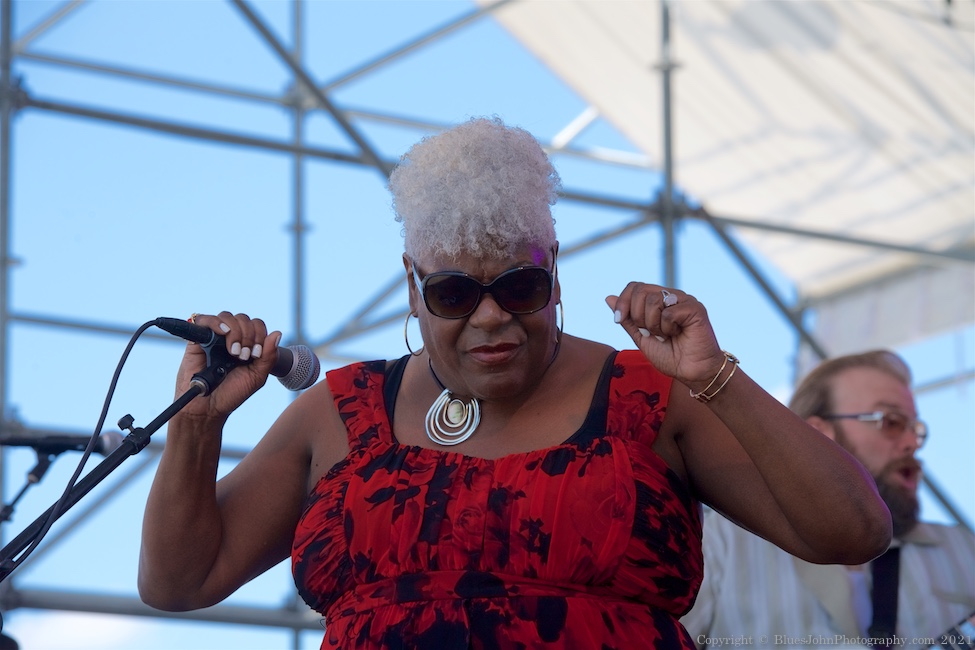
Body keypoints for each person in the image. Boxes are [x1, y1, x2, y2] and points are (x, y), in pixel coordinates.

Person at [138, 117, 891, 649]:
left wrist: (715, 377)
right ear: (413, 285)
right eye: (456, 294)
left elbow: (852, 531)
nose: (491, 318)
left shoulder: (649, 395)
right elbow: (179, 581)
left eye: (522, 286)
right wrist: (197, 426)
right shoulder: (339, 412)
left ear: (555, 267)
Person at [681, 349, 975, 649]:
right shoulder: (722, 543)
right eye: (891, 422)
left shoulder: (966, 551)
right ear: (818, 434)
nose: (913, 443)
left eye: (915, 429)